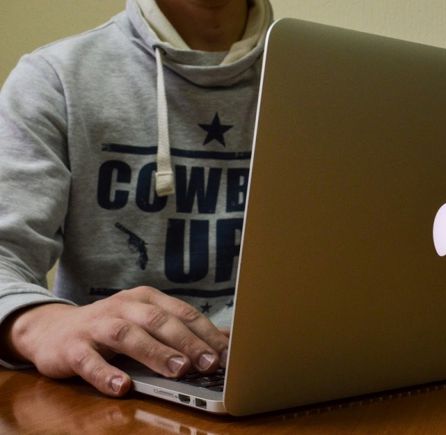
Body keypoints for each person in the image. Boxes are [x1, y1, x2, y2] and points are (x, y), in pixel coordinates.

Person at [0, 0, 273, 397]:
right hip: (111, 393)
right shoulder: (54, 78)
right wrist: (36, 324)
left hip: (288, 379)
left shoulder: (333, 84)